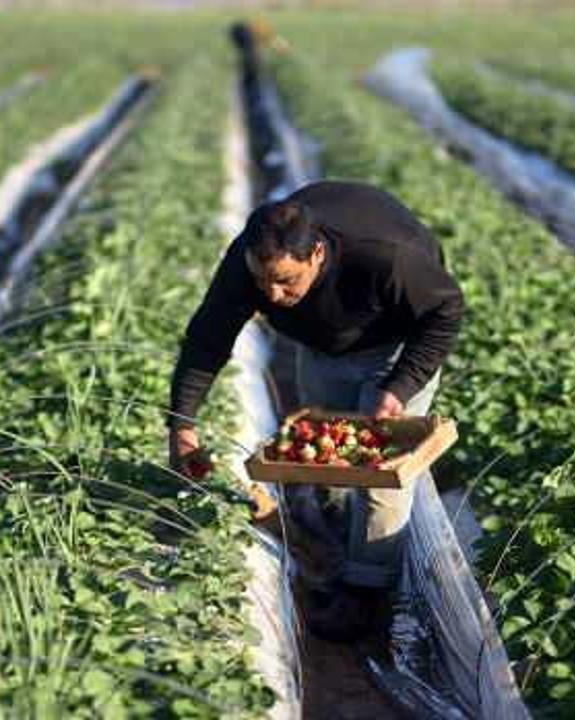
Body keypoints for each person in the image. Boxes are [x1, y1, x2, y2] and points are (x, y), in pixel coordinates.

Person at [166, 181, 465, 640]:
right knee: (321, 455)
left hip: (394, 347)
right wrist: (182, 424)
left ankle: (365, 600)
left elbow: (445, 309)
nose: (272, 296)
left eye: (286, 281)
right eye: (263, 282)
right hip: (321, 347)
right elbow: (208, 338)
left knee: (380, 474)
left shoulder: (384, 255)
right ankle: (330, 556)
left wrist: (400, 387)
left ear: (317, 256)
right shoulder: (249, 263)